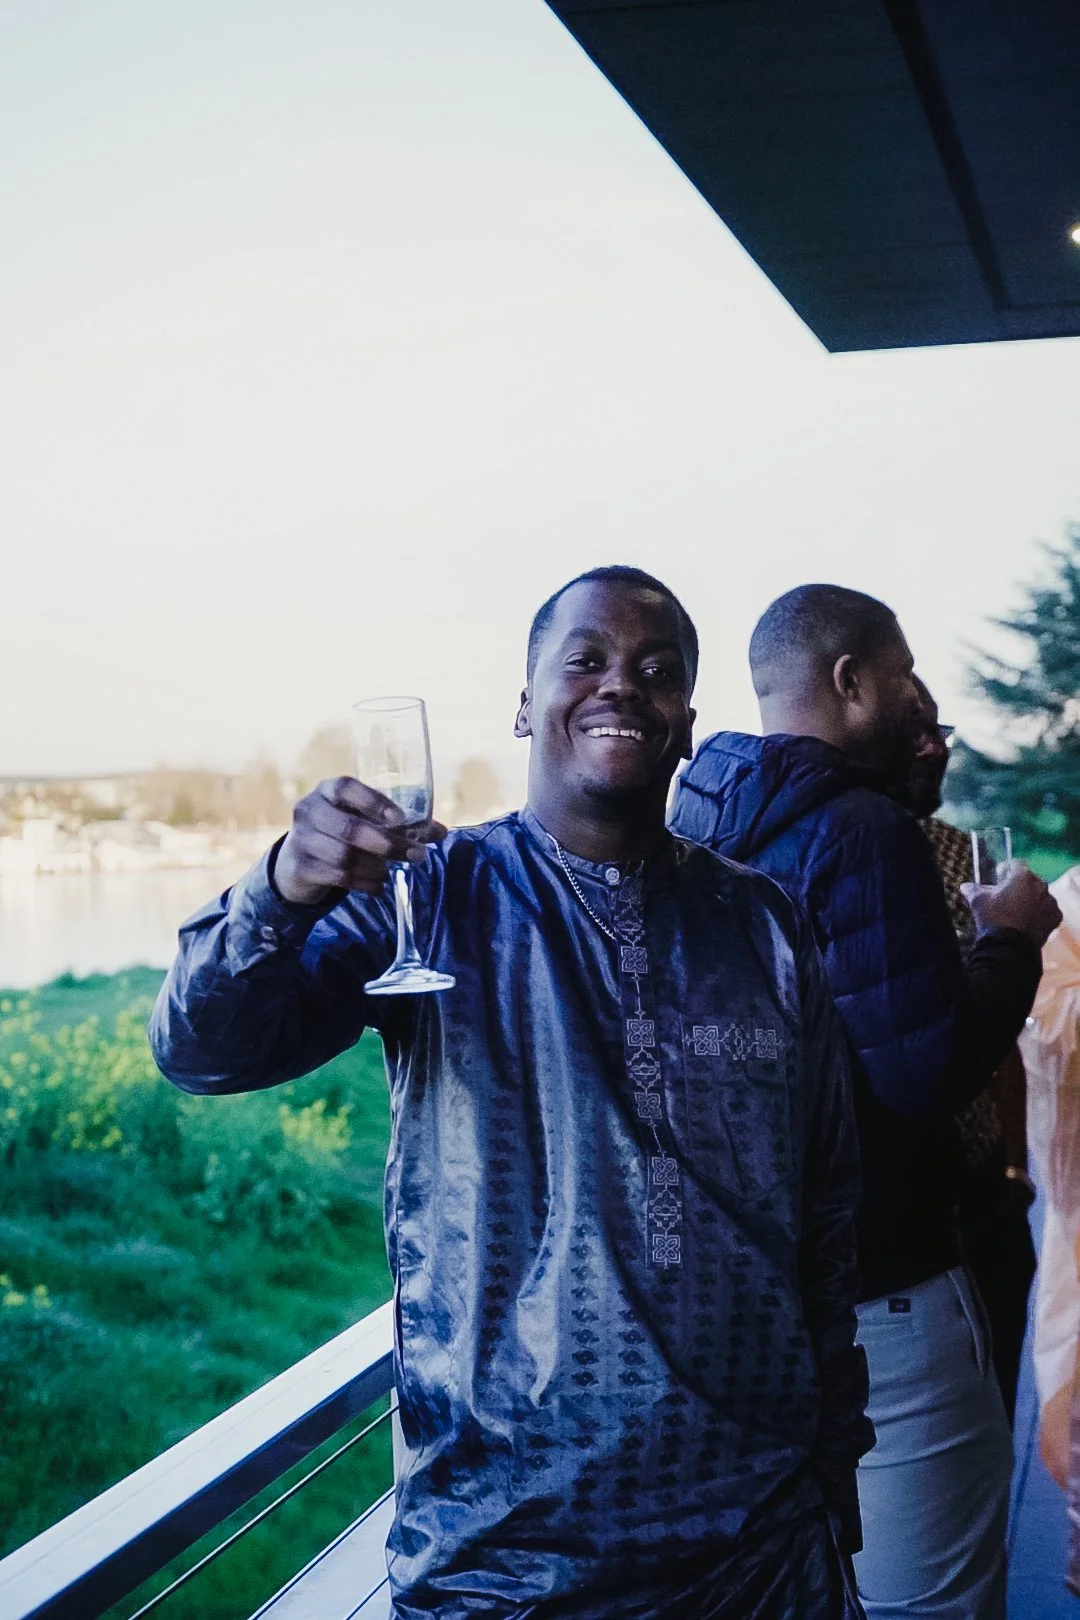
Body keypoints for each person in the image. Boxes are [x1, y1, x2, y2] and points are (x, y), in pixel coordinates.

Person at [151, 566, 872, 1620]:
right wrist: (279, 891)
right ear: (527, 704)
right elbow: (201, 1048)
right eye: (585, 659)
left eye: (656, 669)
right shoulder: (431, 899)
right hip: (506, 1561)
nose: (621, 684)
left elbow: (827, 1220)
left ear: (686, 722)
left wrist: (831, 1476)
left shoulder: (765, 925)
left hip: (760, 1553)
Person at [669, 583, 1061, 1619]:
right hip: (889, 1286)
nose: (913, 710)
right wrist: (1014, 938)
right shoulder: (863, 828)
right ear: (851, 681)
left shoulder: (698, 818)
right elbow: (926, 1072)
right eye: (899, 678)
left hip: (755, 1303)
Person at [887, 682, 1037, 1426]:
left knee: (994, 1409)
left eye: (938, 727)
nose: (936, 745)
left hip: (983, 1191)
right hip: (896, 1217)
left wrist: (1013, 1163)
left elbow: (1003, 1029)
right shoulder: (834, 856)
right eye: (914, 728)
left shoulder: (965, 856)